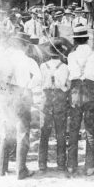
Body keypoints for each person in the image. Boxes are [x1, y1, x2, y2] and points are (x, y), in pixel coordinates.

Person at [0, 32, 42, 180]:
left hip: (6, 96)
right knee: (22, 132)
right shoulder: (28, 61)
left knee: (5, 130)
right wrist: (28, 86)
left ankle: (1, 168)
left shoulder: (4, 58)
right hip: (21, 95)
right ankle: (20, 170)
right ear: (26, 45)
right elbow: (38, 78)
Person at [67, 25, 94, 176]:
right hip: (89, 93)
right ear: (87, 39)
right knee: (90, 131)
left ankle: (71, 166)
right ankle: (89, 166)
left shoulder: (71, 56)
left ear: (75, 40)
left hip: (75, 94)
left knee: (74, 130)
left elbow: (70, 75)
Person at [38, 41, 70, 172]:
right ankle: (61, 163)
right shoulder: (65, 67)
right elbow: (67, 85)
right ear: (60, 54)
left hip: (46, 98)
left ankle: (42, 164)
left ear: (50, 54)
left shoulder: (42, 66)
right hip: (59, 98)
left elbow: (40, 83)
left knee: (44, 131)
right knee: (60, 132)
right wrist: (62, 87)